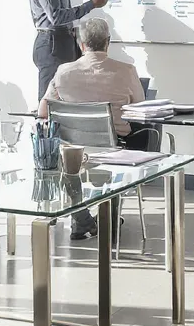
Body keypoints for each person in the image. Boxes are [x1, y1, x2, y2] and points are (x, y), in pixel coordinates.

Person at [38, 16, 147, 240]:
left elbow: (43, 111)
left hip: (72, 151)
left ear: (81, 44)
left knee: (70, 162)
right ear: (108, 42)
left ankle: (81, 218)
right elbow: (140, 108)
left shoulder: (63, 71)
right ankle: (108, 215)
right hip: (117, 149)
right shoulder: (126, 71)